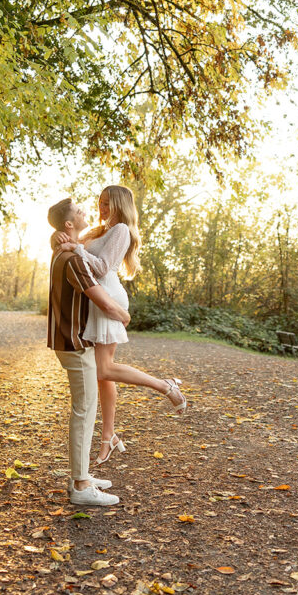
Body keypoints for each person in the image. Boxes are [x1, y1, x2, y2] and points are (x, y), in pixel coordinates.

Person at [53, 185, 186, 466]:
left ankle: (166, 386)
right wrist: (60, 237)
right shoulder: (98, 231)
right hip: (95, 298)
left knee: (103, 368)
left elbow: (101, 267)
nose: (102, 209)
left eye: (107, 204)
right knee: (104, 374)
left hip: (107, 296)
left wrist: (75, 247)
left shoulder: (121, 230)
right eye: (100, 203)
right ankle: (109, 438)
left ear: (120, 205)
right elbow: (72, 243)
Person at [47, 198, 132, 506]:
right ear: (69, 224)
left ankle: (80, 474)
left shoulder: (64, 252)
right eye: (80, 212)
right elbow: (100, 299)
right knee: (83, 414)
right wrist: (122, 314)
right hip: (75, 343)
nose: (87, 213)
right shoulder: (73, 260)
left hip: (69, 342)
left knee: (85, 411)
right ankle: (81, 485)